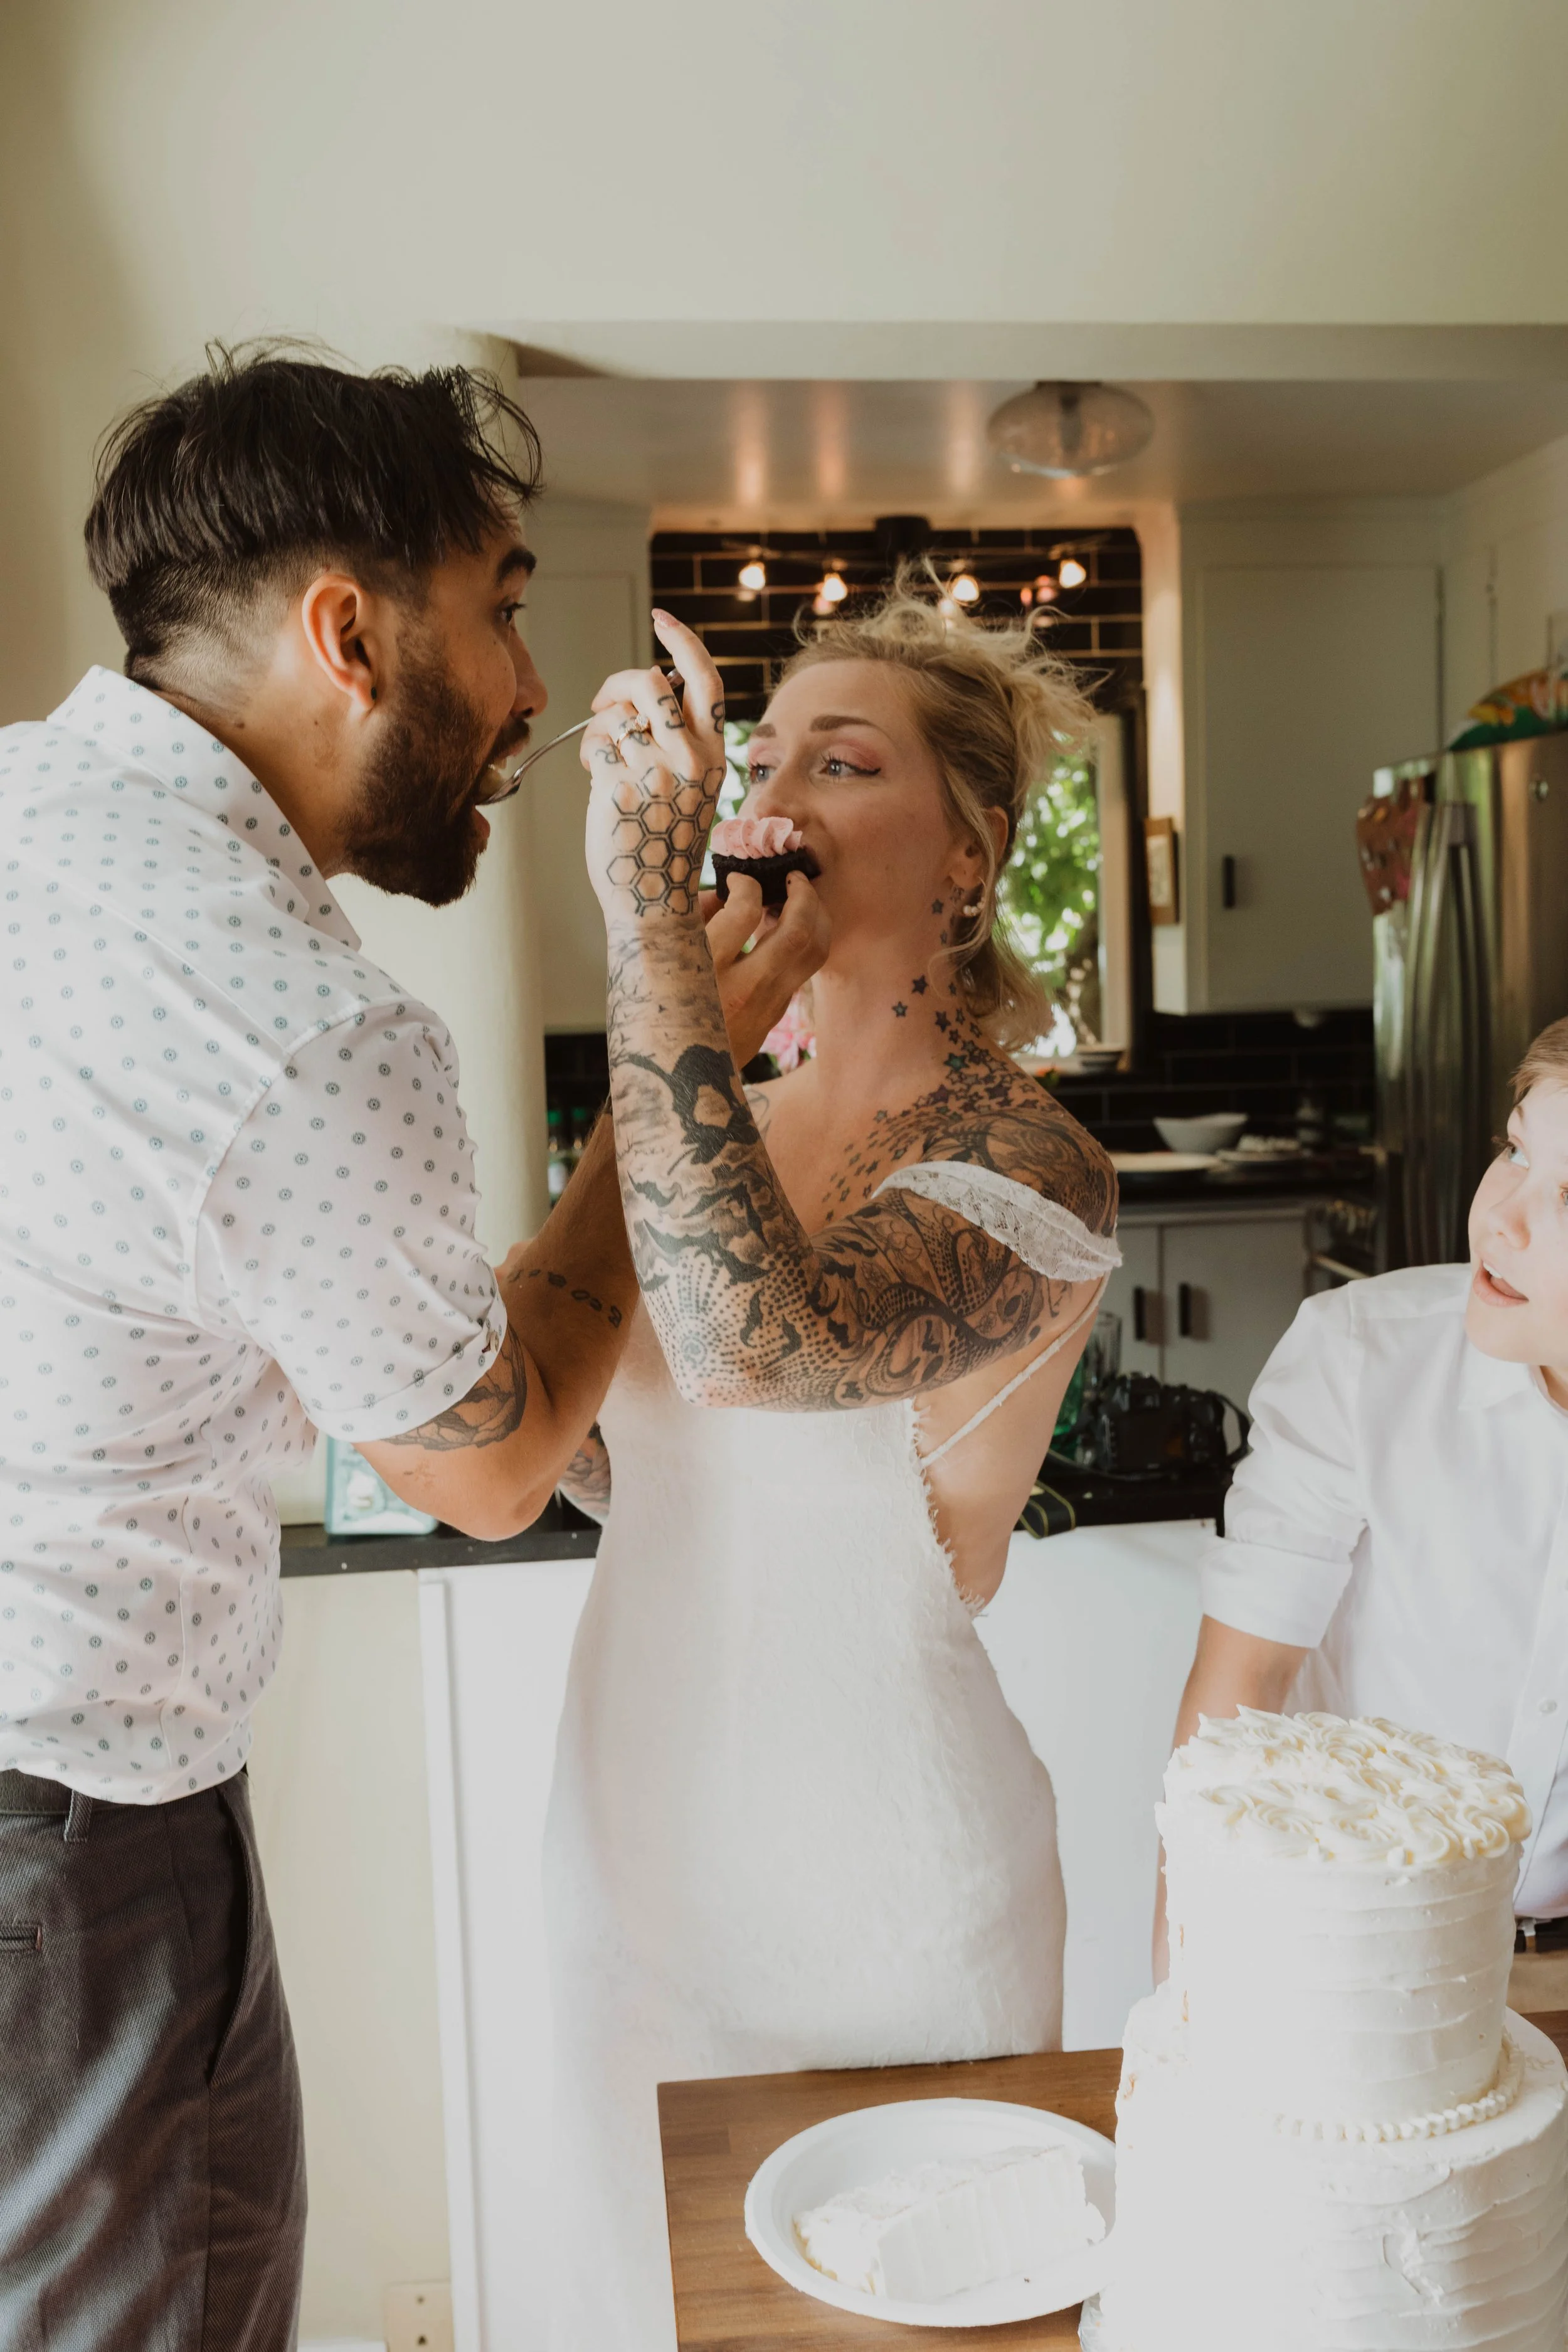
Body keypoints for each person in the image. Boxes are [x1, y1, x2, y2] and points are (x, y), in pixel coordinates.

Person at [0, 347, 820, 2352]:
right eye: (510, 600)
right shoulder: (298, 1017)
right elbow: (485, 1466)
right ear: (352, 632)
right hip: (64, 1842)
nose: (535, 685)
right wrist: (680, 1037)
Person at [544, 583, 1120, 2348]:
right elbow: (591, 1446)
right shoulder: (699, 1111)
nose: (768, 790)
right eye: (762, 752)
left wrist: (650, 921)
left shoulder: (1028, 1151)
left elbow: (754, 1349)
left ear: (969, 847)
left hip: (881, 1900)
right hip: (631, 1856)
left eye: (841, 759)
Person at [1159, 1015, 1568, 2001]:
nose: (1499, 1217)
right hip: (1359, 1958)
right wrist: (1181, 2014)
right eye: (1516, 1147)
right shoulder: (1359, 1361)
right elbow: (1238, 1698)